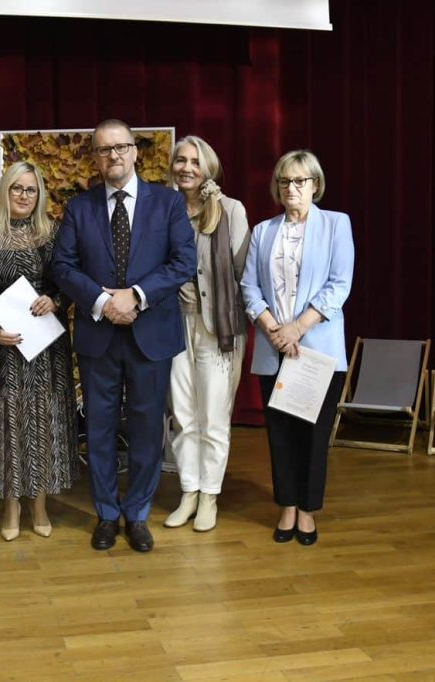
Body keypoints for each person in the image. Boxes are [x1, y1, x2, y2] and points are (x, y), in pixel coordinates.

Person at [52, 119, 196, 552]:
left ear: (135, 151)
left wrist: (136, 296)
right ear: (95, 158)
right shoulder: (79, 208)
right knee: (99, 428)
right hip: (98, 334)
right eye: (103, 149)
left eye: (120, 147)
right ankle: (106, 514)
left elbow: (183, 261)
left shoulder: (168, 203)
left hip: (151, 335)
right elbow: (63, 266)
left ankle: (137, 514)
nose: (113, 155)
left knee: (147, 429)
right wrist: (103, 302)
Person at [0, 161, 78, 541]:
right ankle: (11, 506)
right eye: (17, 188)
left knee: (44, 421)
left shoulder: (54, 233)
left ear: (39, 194)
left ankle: (40, 505)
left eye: (31, 189)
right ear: (5, 191)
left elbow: (71, 282)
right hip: (2, 346)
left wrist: (55, 300)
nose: (24, 195)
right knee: (7, 423)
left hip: (46, 345)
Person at [240, 149, 354, 546]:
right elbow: (249, 286)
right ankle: (286, 505)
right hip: (274, 347)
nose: (292, 188)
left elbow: (339, 284)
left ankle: (307, 510)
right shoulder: (262, 231)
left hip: (317, 349)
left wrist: (297, 328)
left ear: (315, 185)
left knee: (313, 435)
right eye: (285, 181)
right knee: (281, 434)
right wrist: (274, 329)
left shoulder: (336, 224)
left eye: (300, 181)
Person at [163, 136, 250, 532]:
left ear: (209, 168)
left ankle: (210, 496)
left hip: (218, 328)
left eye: (195, 161)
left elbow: (243, 274)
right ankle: (189, 492)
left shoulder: (231, 210)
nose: (186, 167)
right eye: (180, 160)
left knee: (213, 416)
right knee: (182, 416)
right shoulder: (164, 209)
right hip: (173, 324)